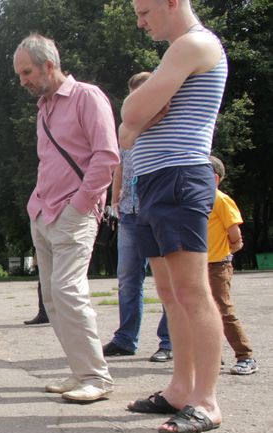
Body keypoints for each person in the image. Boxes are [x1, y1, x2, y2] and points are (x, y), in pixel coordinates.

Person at [121, 0, 227, 433]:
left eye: (145, 12)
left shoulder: (193, 45)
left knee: (191, 291)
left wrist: (137, 117)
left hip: (179, 177)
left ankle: (206, 401)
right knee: (169, 291)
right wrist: (137, 118)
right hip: (153, 181)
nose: (141, 22)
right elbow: (127, 132)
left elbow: (128, 116)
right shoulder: (178, 53)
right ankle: (180, 389)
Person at [13, 34, 117, 402]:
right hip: (43, 211)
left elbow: (106, 157)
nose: (22, 80)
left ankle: (96, 378)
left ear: (49, 65)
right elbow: (50, 162)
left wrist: (80, 204)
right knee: (54, 298)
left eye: (26, 72)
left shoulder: (87, 97)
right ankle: (80, 372)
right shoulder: (44, 108)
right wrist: (36, 205)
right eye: (19, 74)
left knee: (69, 292)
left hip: (73, 213)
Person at [102, 72, 172, 362]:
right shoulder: (127, 127)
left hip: (160, 208)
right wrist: (113, 200)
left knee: (168, 280)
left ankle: (169, 341)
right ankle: (125, 338)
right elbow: (119, 165)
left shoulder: (169, 123)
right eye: (133, 95)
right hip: (129, 211)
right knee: (128, 279)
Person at [207, 156, 257, 376]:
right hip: (199, 266)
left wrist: (226, 252)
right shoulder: (194, 200)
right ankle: (212, 358)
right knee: (204, 313)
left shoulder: (221, 200)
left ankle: (246, 356)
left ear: (215, 179)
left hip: (218, 266)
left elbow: (235, 237)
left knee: (224, 311)